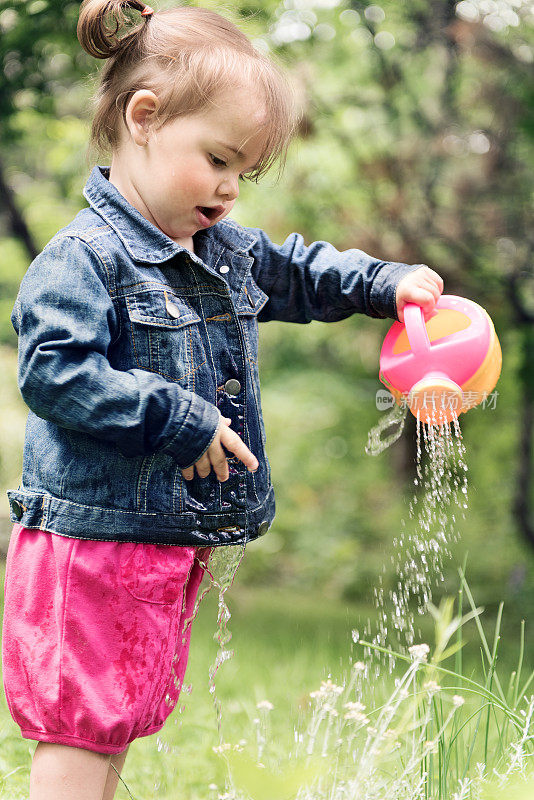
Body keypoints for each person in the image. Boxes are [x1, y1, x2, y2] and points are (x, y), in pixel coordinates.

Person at [2, 2, 444, 798]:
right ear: (144, 118)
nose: (231, 189)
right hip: (92, 540)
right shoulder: (83, 260)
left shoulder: (218, 251)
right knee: (82, 722)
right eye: (217, 159)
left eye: (245, 172)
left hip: (156, 538)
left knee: (122, 716)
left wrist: (384, 282)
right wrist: (178, 416)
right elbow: (55, 374)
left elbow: (300, 271)